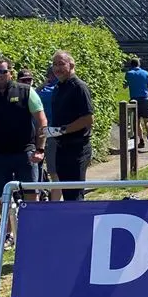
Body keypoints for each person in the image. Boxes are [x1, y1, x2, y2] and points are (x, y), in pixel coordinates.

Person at [0, 57, 47, 246]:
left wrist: (40, 149)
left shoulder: (26, 91)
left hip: (25, 152)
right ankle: (7, 235)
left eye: (3, 71)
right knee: (2, 196)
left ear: (10, 73)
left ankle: (33, 232)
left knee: (31, 193)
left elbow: (42, 121)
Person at [46, 50, 94, 201]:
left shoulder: (79, 87)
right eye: (54, 64)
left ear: (71, 65)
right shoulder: (59, 87)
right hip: (62, 147)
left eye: (61, 64)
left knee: (74, 194)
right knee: (66, 192)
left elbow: (88, 119)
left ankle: (79, 223)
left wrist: (62, 130)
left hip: (77, 149)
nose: (57, 68)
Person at [36, 65, 60, 200]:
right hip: (57, 134)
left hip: (43, 134)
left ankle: (51, 201)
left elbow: (31, 95)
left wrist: (41, 85)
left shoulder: (43, 92)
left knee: (50, 172)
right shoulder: (64, 90)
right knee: (56, 173)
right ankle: (54, 202)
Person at [123, 57, 148, 151]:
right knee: (147, 120)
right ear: (139, 64)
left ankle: (141, 140)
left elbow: (125, 86)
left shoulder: (129, 73)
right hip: (145, 98)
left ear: (131, 65)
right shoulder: (145, 73)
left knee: (136, 122)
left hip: (134, 100)